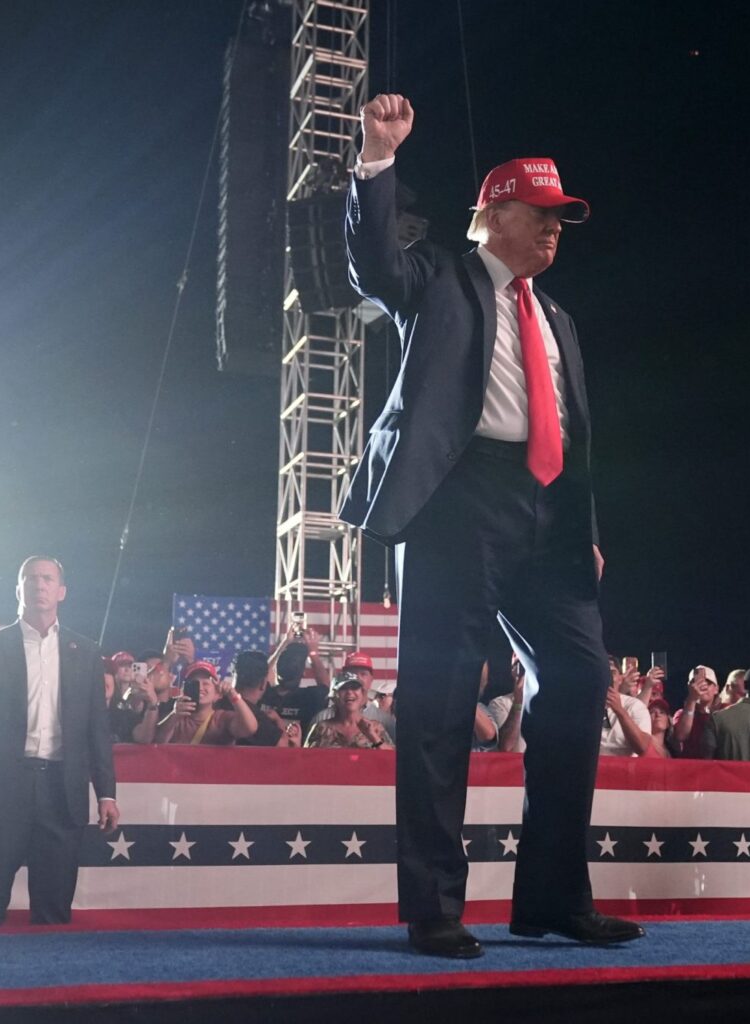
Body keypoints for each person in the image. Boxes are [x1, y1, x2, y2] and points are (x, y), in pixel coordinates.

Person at [338, 93, 639, 957]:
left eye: (561, 218)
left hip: (547, 510)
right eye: (539, 215)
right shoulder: (437, 279)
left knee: (580, 682)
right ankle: (433, 906)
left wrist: (576, 520)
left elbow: (574, 432)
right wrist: (378, 159)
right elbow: (369, 262)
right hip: (459, 499)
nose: (553, 229)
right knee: (440, 701)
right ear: (492, 217)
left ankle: (550, 898)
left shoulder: (562, 321)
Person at [0, 556, 120, 926]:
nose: (40, 584)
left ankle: (49, 983)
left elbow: (97, 729)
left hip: (61, 791)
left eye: (48, 578)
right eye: (31, 578)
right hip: (0, 789)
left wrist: (107, 793)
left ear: (62, 591)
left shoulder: (85, 652)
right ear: (18, 588)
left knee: (53, 911)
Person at [153, 661, 259, 745]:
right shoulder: (176, 718)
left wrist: (233, 694)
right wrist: (174, 715)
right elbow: (156, 743)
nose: (200, 688)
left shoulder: (222, 719)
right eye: (194, 683)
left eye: (206, 683)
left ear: (217, 694)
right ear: (183, 691)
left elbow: (250, 728)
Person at [306, 673, 394, 749]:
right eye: (343, 688)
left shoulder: (376, 728)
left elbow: (394, 760)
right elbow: (305, 760)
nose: (349, 692)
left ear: (362, 694)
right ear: (333, 696)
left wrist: (373, 737)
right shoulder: (321, 728)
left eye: (354, 687)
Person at [671, 665, 718, 757]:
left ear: (716, 689)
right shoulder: (681, 714)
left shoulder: (722, 713)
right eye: (696, 682)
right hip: (690, 768)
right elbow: (681, 736)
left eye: (707, 682)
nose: (702, 686)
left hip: (715, 768)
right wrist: (692, 699)